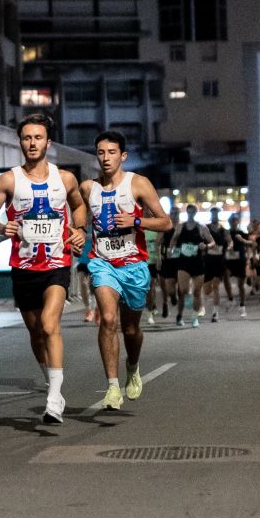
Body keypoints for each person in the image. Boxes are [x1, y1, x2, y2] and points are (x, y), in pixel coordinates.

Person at [0, 113, 87, 429]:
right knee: (35, 331)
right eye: (27, 138)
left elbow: (79, 205)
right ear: (20, 141)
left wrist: (78, 229)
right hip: (24, 266)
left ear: (48, 142)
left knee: (50, 323)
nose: (32, 143)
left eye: (38, 137)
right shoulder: (9, 180)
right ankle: (48, 376)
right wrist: (2, 225)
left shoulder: (65, 179)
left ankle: (54, 398)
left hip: (57, 264)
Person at [80, 131, 172, 411]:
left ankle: (133, 366)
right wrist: (74, 233)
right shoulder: (87, 188)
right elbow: (79, 222)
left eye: (111, 153)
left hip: (133, 265)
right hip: (102, 262)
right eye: (101, 152)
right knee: (107, 319)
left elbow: (166, 223)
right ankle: (111, 386)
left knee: (131, 329)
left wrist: (136, 220)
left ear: (123, 156)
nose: (105, 158)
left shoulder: (138, 184)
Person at [167, 202, 216, 326]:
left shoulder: (202, 227)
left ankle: (194, 318)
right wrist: (170, 249)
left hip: (198, 262)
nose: (190, 213)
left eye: (193, 211)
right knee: (183, 290)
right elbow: (173, 239)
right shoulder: (180, 227)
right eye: (189, 211)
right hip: (183, 262)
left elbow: (212, 242)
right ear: (186, 212)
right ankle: (181, 313)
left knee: (197, 292)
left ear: (196, 213)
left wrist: (206, 245)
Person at [202, 205, 229, 322]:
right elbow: (200, 243)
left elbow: (229, 242)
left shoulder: (224, 230)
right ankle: (206, 306)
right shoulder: (205, 229)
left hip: (219, 262)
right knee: (207, 290)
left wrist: (230, 247)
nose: (215, 215)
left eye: (216, 213)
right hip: (207, 262)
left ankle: (215, 313)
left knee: (216, 286)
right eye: (213, 213)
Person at [223, 215, 250, 318]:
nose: (233, 222)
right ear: (229, 222)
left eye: (235, 220)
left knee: (240, 285)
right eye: (231, 221)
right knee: (225, 277)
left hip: (240, 260)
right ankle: (230, 298)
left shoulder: (243, 233)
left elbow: (248, 245)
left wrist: (248, 258)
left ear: (238, 222)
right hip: (228, 260)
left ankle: (242, 306)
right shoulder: (225, 233)